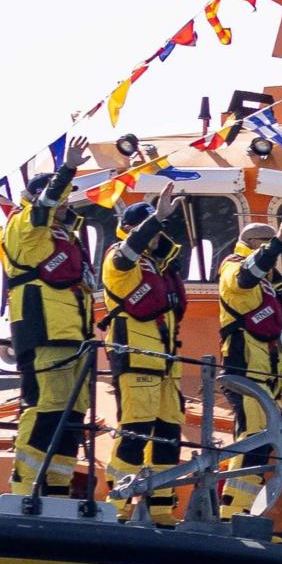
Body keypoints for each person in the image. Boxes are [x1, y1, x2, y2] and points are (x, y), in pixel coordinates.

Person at [0, 159, 97, 504]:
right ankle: (23, 489)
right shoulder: (24, 225)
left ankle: (57, 491)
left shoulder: (65, 236)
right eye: (63, 199)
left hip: (74, 336)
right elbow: (43, 208)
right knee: (44, 409)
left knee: (72, 415)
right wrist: (66, 170)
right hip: (42, 331)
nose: (66, 206)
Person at [98, 209, 191, 523]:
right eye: (147, 227)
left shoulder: (160, 267)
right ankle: (118, 505)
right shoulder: (120, 260)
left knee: (169, 434)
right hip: (136, 357)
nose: (154, 233)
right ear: (128, 228)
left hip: (166, 363)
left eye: (157, 227)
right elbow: (126, 254)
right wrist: (155, 218)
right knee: (135, 432)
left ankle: (161, 507)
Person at [210, 221, 282, 515]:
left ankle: (241, 511)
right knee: (253, 437)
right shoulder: (234, 268)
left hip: (267, 372)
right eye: (267, 243)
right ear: (256, 243)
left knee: (261, 440)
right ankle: (232, 511)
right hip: (246, 368)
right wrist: (279, 243)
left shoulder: (270, 281)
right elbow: (246, 278)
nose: (272, 250)